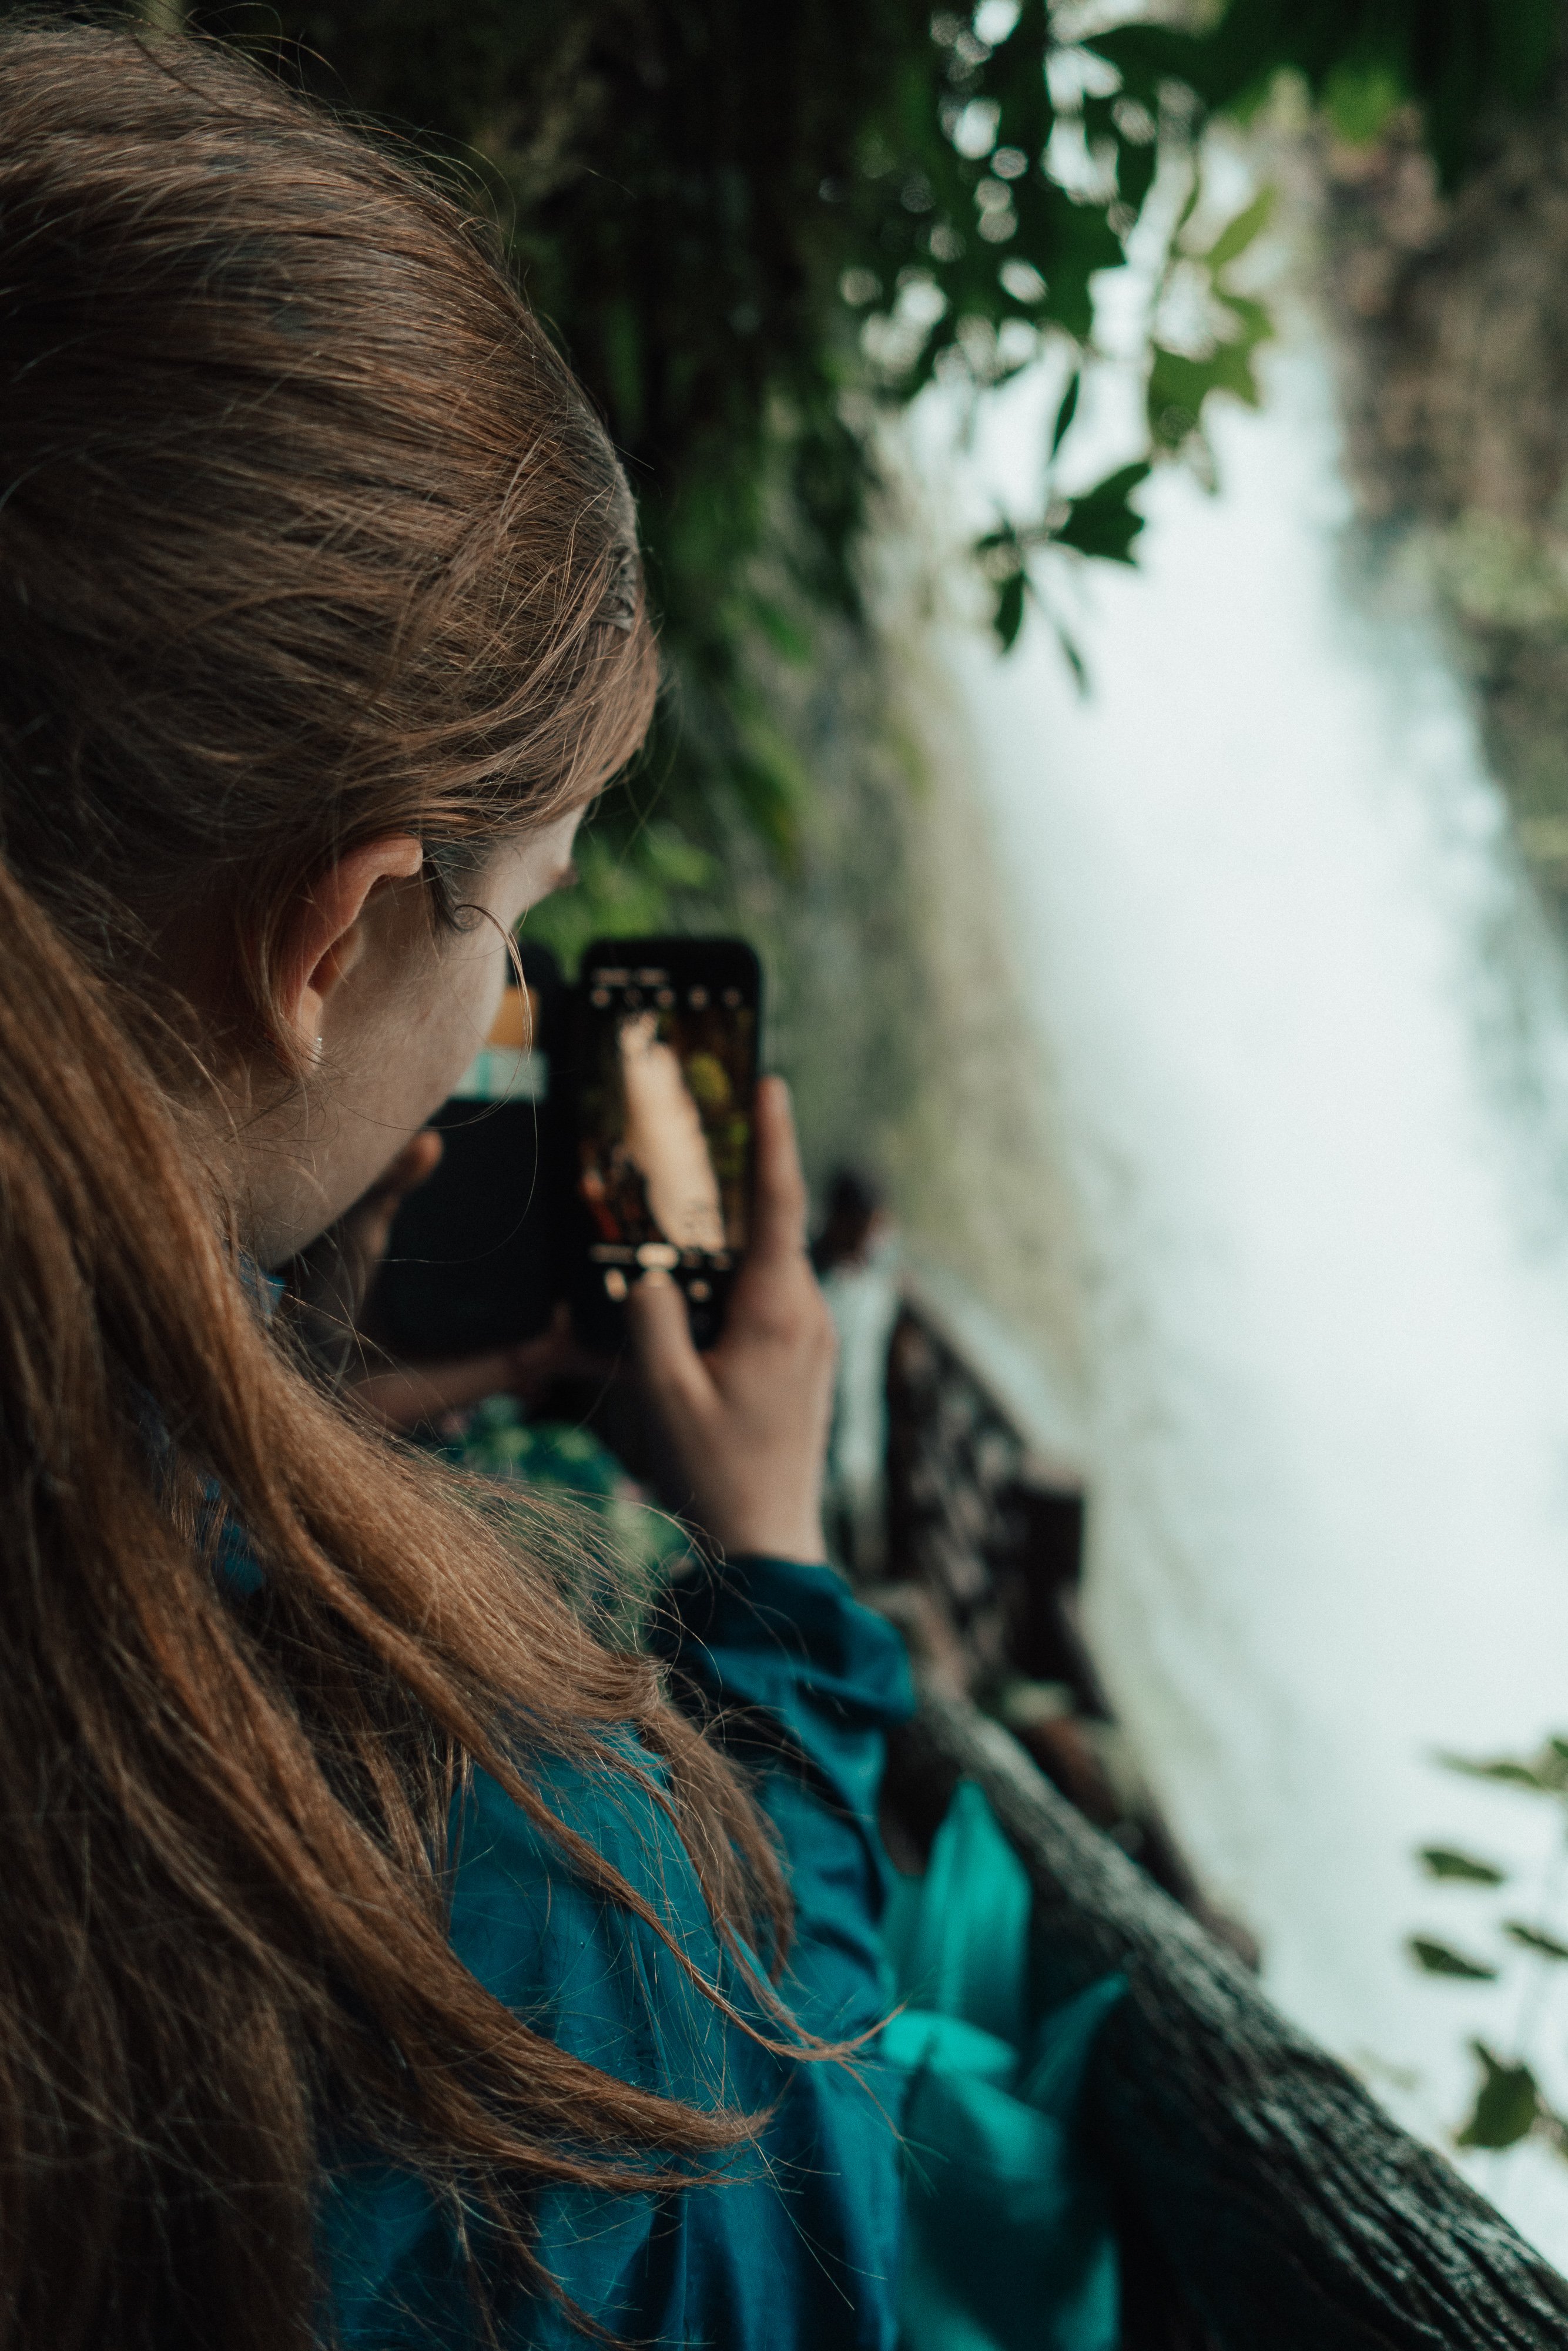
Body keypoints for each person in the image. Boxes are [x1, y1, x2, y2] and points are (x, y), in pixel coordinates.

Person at [0, 24, 913, 2348]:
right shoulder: (502, 1928)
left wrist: (273, 1378)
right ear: (326, 937)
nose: (502, 1006)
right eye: (503, 922)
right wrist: (777, 1581)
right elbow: (781, 2234)